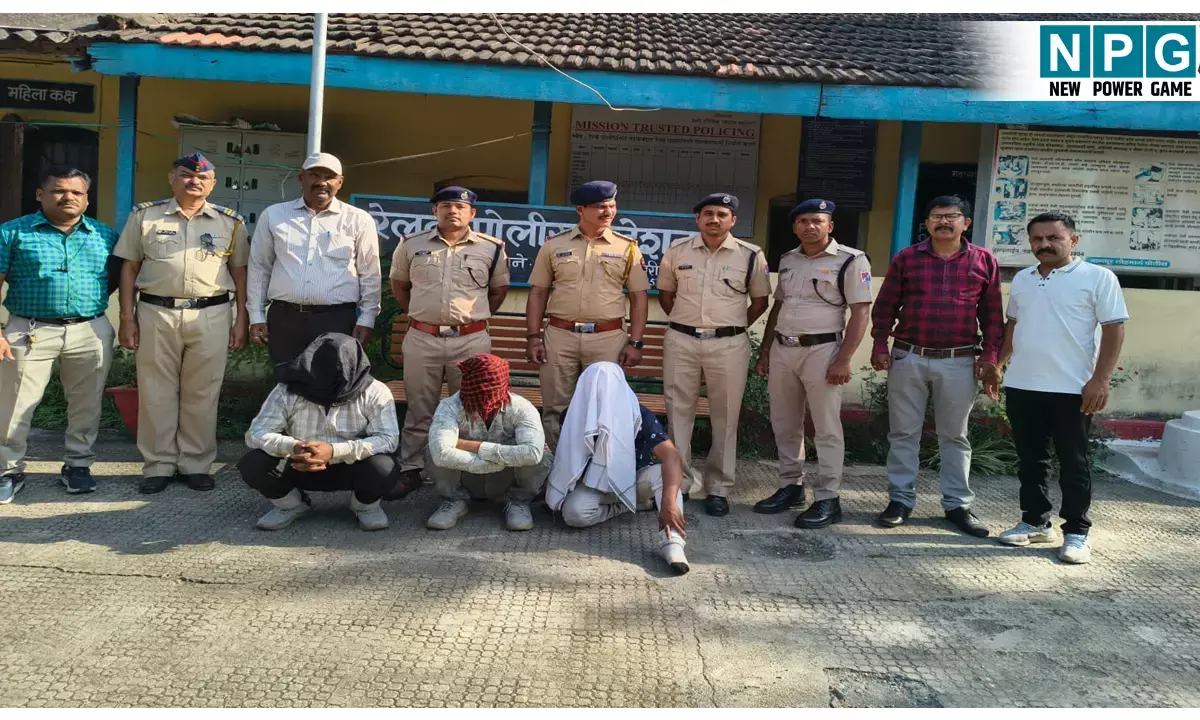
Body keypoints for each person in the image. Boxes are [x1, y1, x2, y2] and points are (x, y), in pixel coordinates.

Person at [986, 212, 1127, 564]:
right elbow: (1013, 326)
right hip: (1023, 385)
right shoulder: (1023, 279)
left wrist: (1100, 379)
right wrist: (998, 365)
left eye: (1053, 238)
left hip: (1072, 388)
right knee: (1031, 460)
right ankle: (1035, 522)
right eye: (1037, 239)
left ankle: (1077, 532)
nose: (1044, 244)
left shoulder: (1098, 278)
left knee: (1073, 462)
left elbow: (1114, 329)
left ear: (1073, 241)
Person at [114, 152, 250, 494]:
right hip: (156, 312)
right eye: (187, 174)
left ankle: (195, 463)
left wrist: (242, 320)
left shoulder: (230, 222)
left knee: (203, 392)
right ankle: (158, 465)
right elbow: (129, 268)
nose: (194, 181)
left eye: (202, 177)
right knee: (155, 391)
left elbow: (240, 273)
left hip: (212, 314)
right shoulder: (145, 216)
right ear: (172, 178)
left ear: (212, 184)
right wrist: (127, 318)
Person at [870, 196, 1003, 537]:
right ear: (927, 223)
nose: (944, 222)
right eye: (937, 216)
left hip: (959, 360)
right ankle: (900, 501)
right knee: (903, 433)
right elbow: (885, 306)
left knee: (955, 435)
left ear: (966, 223)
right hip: (909, 356)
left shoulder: (984, 260)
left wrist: (990, 356)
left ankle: (957, 506)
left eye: (952, 216)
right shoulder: (907, 258)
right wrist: (879, 343)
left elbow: (992, 315)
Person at [0, 167, 119, 503]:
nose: (68, 197)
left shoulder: (104, 235)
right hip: (28, 328)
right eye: (59, 191)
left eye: (77, 192)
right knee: (15, 402)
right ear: (40, 194)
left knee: (86, 403)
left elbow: (113, 279)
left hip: (90, 329)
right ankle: (7, 470)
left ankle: (78, 465)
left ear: (87, 199)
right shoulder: (12, 232)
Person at [751, 199, 873, 527]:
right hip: (783, 349)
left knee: (826, 427)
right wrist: (765, 350)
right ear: (795, 227)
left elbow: (861, 312)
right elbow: (779, 307)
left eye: (817, 220)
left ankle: (828, 498)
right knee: (785, 422)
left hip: (823, 351)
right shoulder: (788, 259)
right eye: (803, 221)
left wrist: (844, 359)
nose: (810, 226)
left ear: (830, 226)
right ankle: (791, 486)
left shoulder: (851, 260)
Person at [388, 187, 509, 495]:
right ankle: (412, 468)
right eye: (445, 205)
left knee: (471, 409)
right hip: (422, 339)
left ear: (472, 213)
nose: (452, 211)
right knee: (419, 408)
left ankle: (465, 471)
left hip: (470, 341)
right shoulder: (411, 244)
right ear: (435, 211)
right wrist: (424, 317)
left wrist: (470, 321)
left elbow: (497, 292)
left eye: (459, 206)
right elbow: (400, 286)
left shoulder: (491, 248)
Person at [657, 193, 771, 516]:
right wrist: (686, 323)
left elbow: (760, 302)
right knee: (678, 414)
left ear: (733, 220)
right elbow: (666, 296)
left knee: (726, 415)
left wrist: (730, 327)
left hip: (729, 345)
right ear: (698, 219)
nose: (714, 219)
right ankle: (679, 483)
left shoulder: (751, 255)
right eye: (708, 213)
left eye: (722, 214)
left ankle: (718, 488)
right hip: (682, 340)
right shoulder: (677, 251)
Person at [525, 181, 650, 447]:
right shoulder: (553, 245)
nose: (608, 212)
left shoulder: (627, 247)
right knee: (555, 407)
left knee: (605, 408)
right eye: (600, 207)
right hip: (560, 336)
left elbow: (639, 297)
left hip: (608, 339)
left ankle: (598, 467)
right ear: (580, 209)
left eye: (612, 206)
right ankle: (557, 466)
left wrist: (636, 342)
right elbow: (538, 293)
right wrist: (533, 337)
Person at [239, 333, 400, 531]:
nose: (330, 376)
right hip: (300, 463)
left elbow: (388, 439)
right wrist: (295, 447)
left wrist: (333, 451)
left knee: (385, 467)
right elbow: (256, 432)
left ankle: (365, 506)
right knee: (253, 463)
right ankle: (291, 504)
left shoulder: (375, 391)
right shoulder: (288, 388)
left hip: (351, 466)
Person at [546, 362, 690, 575]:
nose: (601, 394)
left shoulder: (638, 414)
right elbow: (569, 459)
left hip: (635, 478)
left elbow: (672, 456)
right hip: (594, 483)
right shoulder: (573, 414)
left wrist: (668, 504)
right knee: (574, 514)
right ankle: (629, 506)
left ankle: (673, 543)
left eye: (608, 389)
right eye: (594, 388)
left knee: (663, 475)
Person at [246, 153, 381, 375]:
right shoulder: (274, 215)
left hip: (336, 320)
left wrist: (367, 318)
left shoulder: (358, 219)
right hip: (285, 319)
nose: (321, 182)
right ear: (301, 178)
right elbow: (259, 268)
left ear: (340, 182)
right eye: (314, 175)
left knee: (333, 383)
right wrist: (256, 315)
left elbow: (370, 273)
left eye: (329, 177)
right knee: (287, 382)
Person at [423, 354, 552, 531]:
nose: (485, 393)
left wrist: (473, 446)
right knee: (432, 450)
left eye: (491, 387)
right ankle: (454, 499)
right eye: (479, 386)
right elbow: (441, 453)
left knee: (543, 453)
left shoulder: (521, 407)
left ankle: (518, 502)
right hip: (468, 475)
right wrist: (490, 463)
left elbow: (532, 453)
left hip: (507, 477)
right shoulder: (449, 406)